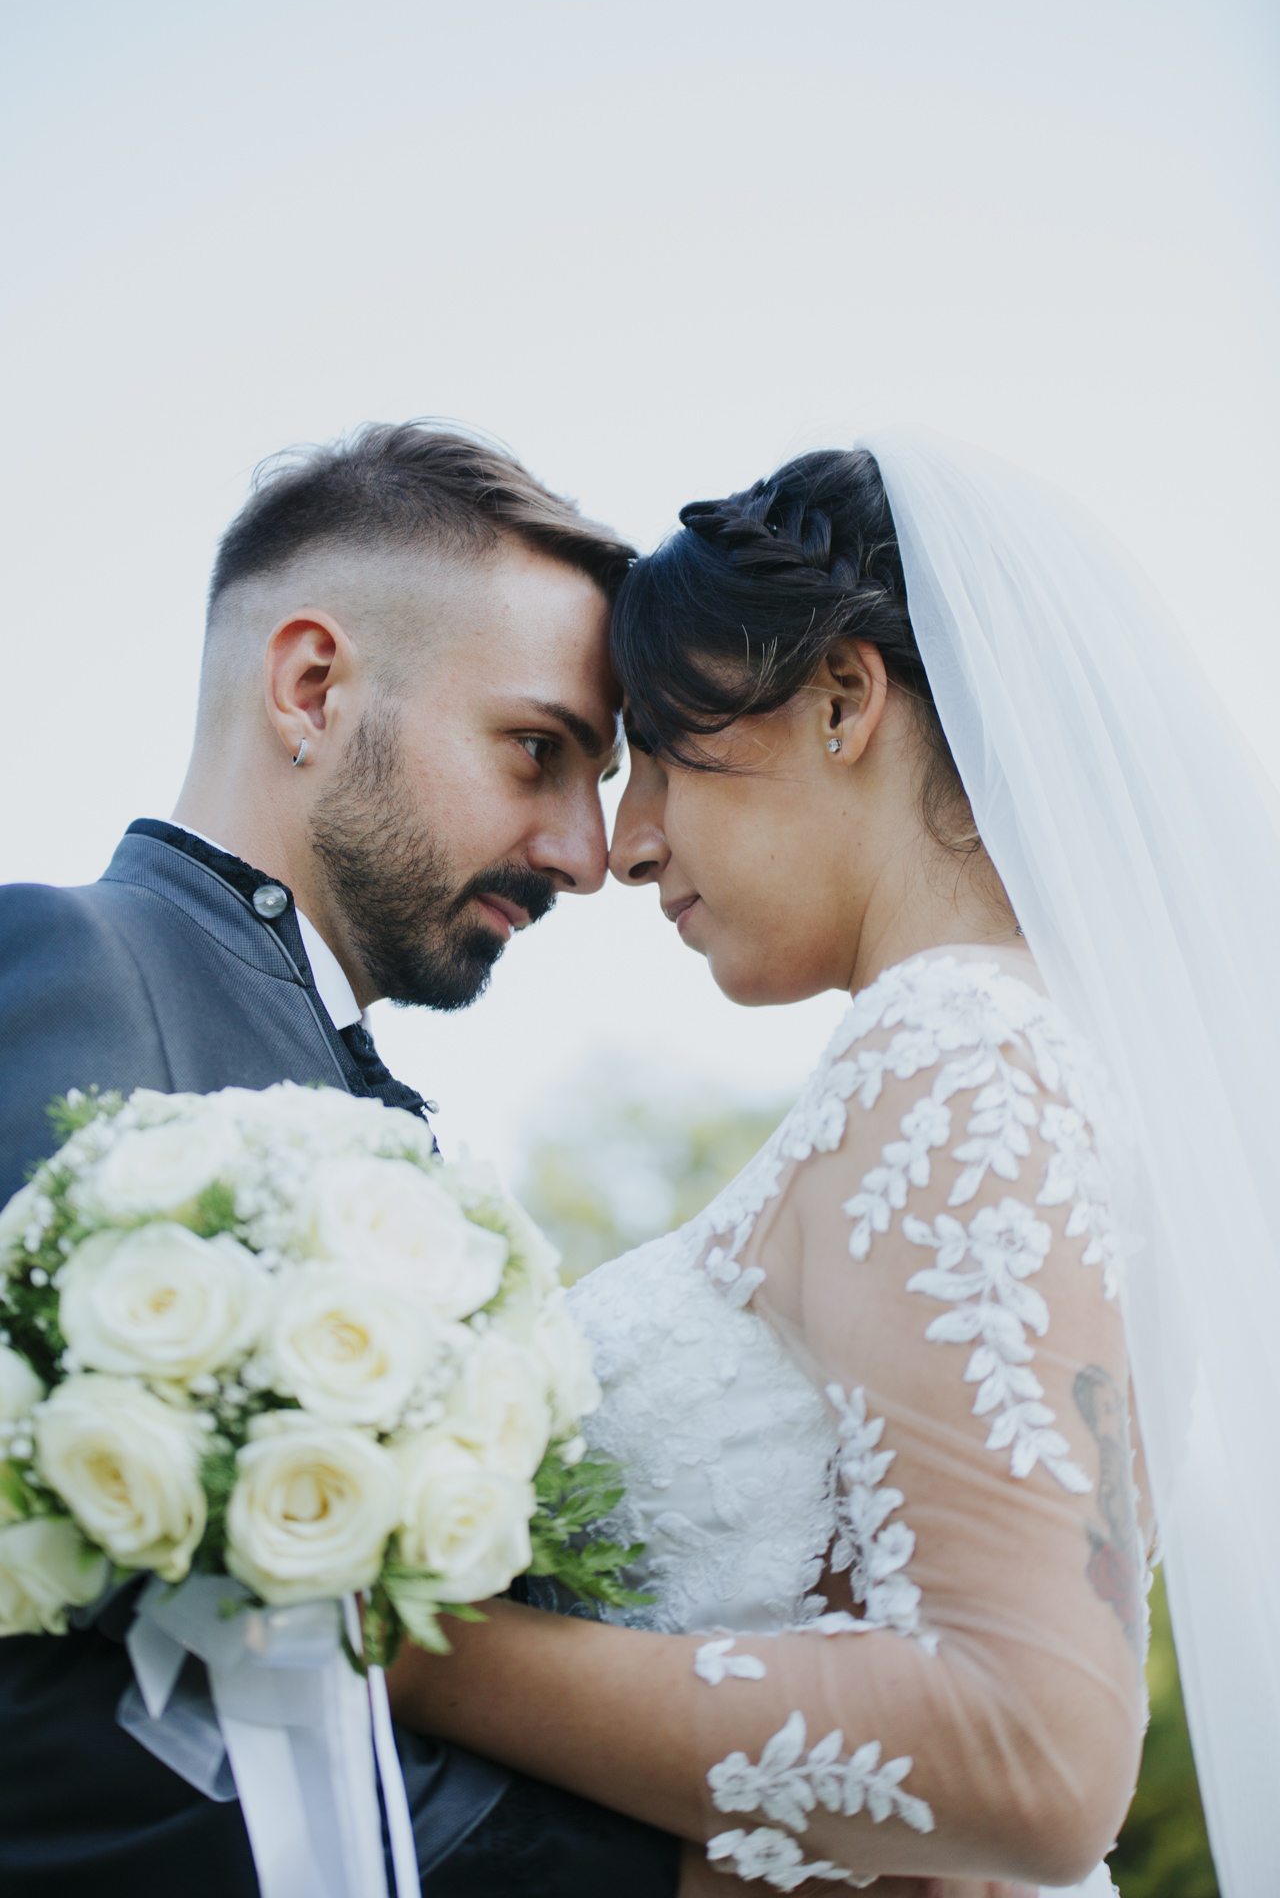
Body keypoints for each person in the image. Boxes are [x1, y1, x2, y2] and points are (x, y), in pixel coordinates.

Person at [387, 435, 1280, 1897]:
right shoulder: (1015, 1050)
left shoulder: (960, 1047)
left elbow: (1031, 1752)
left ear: (843, 701)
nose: (627, 844)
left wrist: (413, 1652)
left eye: (662, 750)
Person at [0, 423, 683, 1897]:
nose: (583, 852)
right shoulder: (69, 966)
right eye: (539, 750)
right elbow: (48, 1688)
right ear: (312, 686)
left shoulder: (391, 1115)